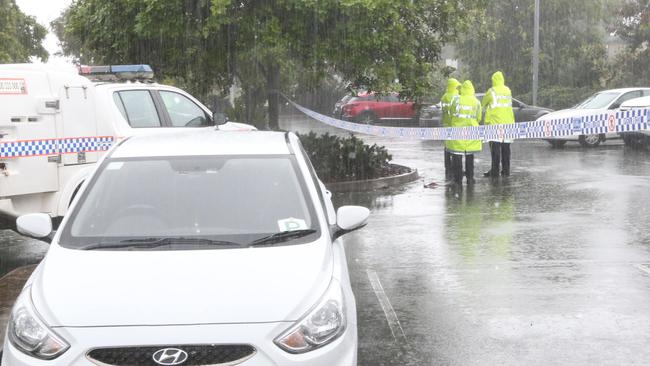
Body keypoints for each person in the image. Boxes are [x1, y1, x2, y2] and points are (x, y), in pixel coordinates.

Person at [447, 80, 482, 185]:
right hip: (471, 132)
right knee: (469, 156)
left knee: (457, 156)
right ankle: (470, 178)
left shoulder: (456, 100)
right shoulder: (476, 102)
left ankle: (458, 179)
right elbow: (479, 117)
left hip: (458, 131)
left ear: (462, 89)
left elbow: (451, 113)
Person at [482, 71, 515, 177]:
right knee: (506, 149)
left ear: (493, 80)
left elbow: (483, 103)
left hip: (495, 125)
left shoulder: (491, 91)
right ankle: (506, 171)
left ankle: (495, 172)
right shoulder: (508, 90)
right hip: (508, 124)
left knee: (495, 150)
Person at [440, 78, 461, 179]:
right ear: (454, 86)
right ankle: (454, 168)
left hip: (446, 124)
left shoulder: (444, 96)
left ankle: (447, 167)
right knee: (454, 147)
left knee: (447, 147)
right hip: (454, 125)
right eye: (457, 86)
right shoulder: (456, 97)